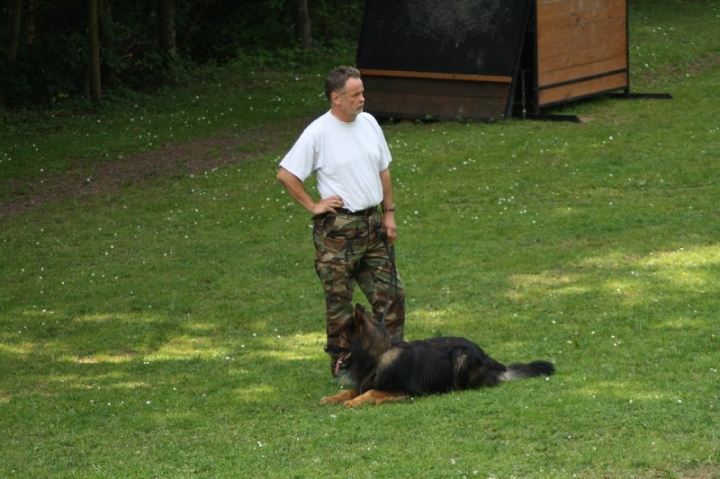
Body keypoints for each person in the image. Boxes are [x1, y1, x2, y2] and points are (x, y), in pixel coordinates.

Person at [276, 66, 406, 384]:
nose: (363, 98)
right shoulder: (318, 132)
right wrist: (313, 205)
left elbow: (384, 170)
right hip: (339, 233)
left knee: (391, 295)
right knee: (340, 304)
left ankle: (390, 363)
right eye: (355, 94)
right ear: (336, 98)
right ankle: (345, 369)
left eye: (362, 92)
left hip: (372, 225)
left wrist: (388, 214)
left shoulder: (370, 123)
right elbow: (286, 174)